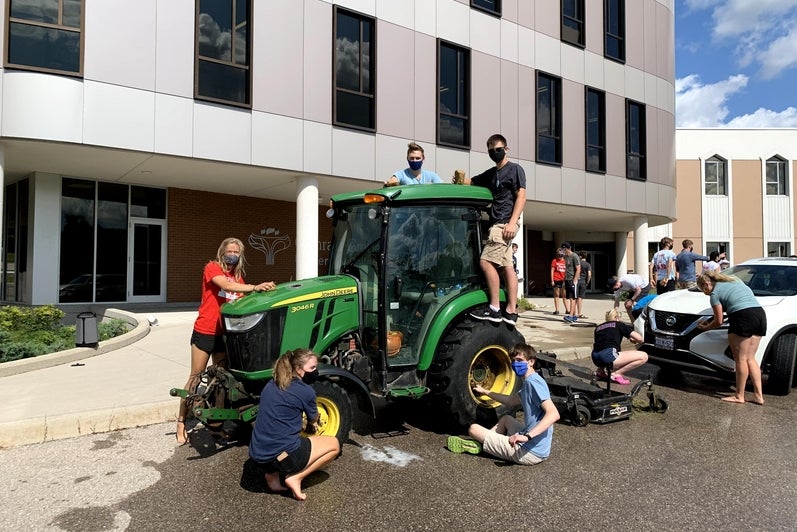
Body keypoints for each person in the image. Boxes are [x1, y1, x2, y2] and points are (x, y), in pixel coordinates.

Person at [176, 238, 276, 445]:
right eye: (229, 250)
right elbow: (225, 285)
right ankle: (180, 422)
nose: (232, 254)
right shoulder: (212, 268)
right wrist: (255, 287)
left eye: (236, 251)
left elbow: (240, 298)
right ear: (222, 251)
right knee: (195, 378)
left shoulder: (237, 275)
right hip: (205, 331)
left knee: (220, 382)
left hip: (224, 335)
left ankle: (216, 426)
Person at [248, 348, 341, 500]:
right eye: (312, 368)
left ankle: (272, 478)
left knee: (276, 441)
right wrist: (311, 421)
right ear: (298, 369)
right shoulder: (306, 391)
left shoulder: (271, 384)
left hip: (258, 456)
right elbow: (313, 420)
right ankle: (296, 477)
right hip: (282, 457)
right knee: (334, 445)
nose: (315, 371)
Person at [446, 343, 559, 465]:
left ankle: (481, 445)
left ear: (531, 362)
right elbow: (510, 400)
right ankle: (487, 443)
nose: (516, 364)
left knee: (473, 429)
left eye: (520, 360)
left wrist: (527, 437)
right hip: (539, 448)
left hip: (529, 452)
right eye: (513, 361)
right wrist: (485, 391)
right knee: (506, 419)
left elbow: (553, 414)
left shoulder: (533, 384)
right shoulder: (530, 382)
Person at [463, 134, 527, 326]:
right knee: (507, 267)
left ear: (506, 149)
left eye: (498, 149)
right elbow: (472, 181)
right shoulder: (491, 174)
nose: (494, 153)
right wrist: (458, 179)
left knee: (485, 263)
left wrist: (512, 222)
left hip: (503, 224)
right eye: (491, 150)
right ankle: (511, 311)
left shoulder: (515, 169)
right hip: (499, 223)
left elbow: (522, 196)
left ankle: (494, 308)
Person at [697, 271, 766, 405]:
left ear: (706, 284)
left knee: (740, 359)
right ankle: (759, 396)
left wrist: (706, 327)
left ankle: (739, 396)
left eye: (703, 289)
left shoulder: (714, 294)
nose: (705, 292)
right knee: (750, 358)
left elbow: (719, 321)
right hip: (759, 314)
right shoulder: (734, 280)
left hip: (742, 317)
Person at [591, 309, 649, 385]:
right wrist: (634, 340)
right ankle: (617, 374)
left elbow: (603, 342)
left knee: (605, 348)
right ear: (617, 317)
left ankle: (600, 371)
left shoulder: (599, 327)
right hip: (608, 356)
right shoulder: (619, 324)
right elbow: (640, 339)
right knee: (644, 356)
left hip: (595, 357)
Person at [561, 242, 581, 322]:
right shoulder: (565, 257)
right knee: (569, 297)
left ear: (567, 248)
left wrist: (575, 280)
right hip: (567, 279)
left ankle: (571, 315)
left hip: (573, 279)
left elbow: (578, 269)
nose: (563, 251)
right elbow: (566, 269)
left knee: (573, 298)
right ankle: (574, 315)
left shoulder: (574, 256)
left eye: (563, 249)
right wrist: (564, 280)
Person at [550, 249, 568, 315]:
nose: (560, 256)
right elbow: (552, 270)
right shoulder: (554, 261)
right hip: (556, 279)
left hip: (563, 280)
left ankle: (567, 309)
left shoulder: (565, 261)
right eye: (559, 255)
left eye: (561, 255)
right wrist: (552, 280)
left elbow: (568, 271)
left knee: (564, 295)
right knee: (557, 295)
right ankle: (557, 310)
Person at [575, 251, 592, 319]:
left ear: (580, 256)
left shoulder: (577, 263)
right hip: (583, 282)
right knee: (580, 298)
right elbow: (589, 274)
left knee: (574, 297)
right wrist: (587, 282)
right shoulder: (587, 264)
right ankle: (579, 313)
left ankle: (574, 313)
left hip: (576, 281)